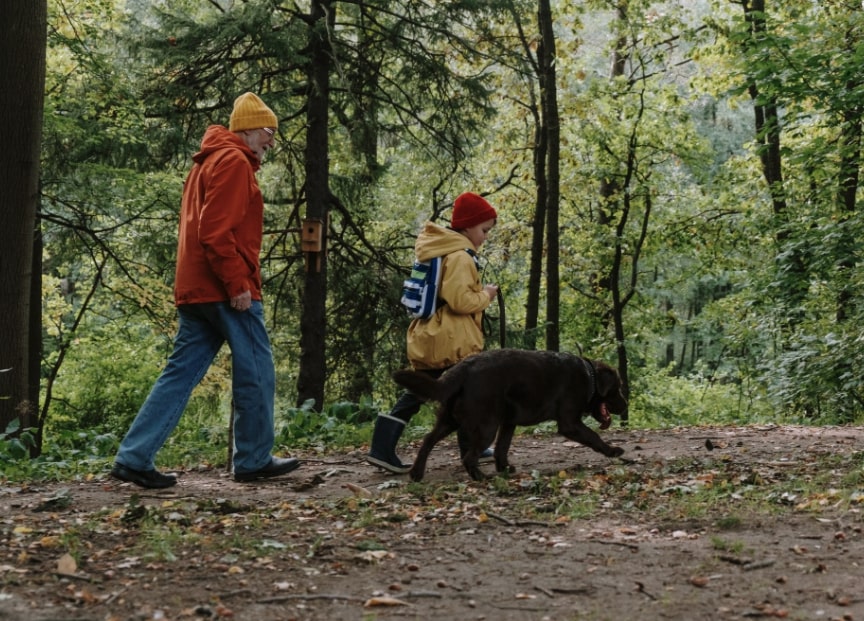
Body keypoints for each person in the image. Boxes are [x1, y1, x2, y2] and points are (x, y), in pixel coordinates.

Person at [110, 92, 300, 489]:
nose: (271, 141)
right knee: (257, 371)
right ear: (248, 130)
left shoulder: (208, 162)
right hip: (224, 288)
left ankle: (134, 456)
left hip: (195, 288)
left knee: (179, 374)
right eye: (268, 132)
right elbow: (215, 232)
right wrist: (238, 284)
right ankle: (253, 458)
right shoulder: (233, 162)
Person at [366, 192, 499, 473]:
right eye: (483, 230)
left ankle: (383, 446)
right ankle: (469, 448)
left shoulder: (441, 250)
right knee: (460, 391)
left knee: (430, 392)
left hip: (432, 335)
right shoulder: (461, 257)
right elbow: (461, 301)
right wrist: (486, 295)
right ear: (467, 226)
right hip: (450, 340)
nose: (485, 236)